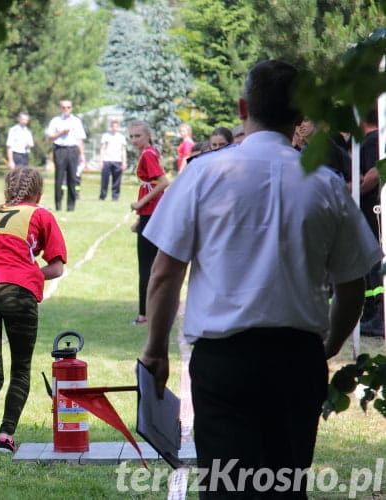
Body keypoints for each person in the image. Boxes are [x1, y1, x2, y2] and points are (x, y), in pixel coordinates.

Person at [140, 60, 381, 498]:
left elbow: (164, 273)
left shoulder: (203, 174)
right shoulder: (327, 185)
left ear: (241, 107)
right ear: (301, 117)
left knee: (226, 488)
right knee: (285, 487)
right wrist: (323, 351)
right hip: (296, 360)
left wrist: (155, 352)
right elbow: (352, 290)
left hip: (223, 363)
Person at [0, 167, 67, 454]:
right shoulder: (41, 215)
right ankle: (5, 437)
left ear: (6, 192)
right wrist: (29, 274)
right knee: (21, 367)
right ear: (39, 194)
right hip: (19, 292)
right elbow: (56, 267)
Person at [128, 122, 169, 325]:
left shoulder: (147, 154)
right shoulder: (148, 152)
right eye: (131, 137)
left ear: (147, 136)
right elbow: (151, 186)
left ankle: (144, 314)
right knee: (151, 265)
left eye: (138, 136)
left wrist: (140, 204)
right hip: (150, 215)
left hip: (152, 215)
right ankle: (151, 311)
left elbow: (163, 182)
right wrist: (140, 217)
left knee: (146, 266)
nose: (134, 140)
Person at [358, 109, 383, 337]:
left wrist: (355, 190)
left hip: (373, 213)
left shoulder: (372, 141)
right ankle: (371, 314)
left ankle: (379, 318)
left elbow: (374, 173)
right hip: (370, 213)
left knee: (376, 264)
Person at [45, 99, 87, 212]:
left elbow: (80, 140)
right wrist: (61, 133)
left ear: (71, 108)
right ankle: (58, 205)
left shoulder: (77, 121)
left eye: (68, 107)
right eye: (64, 107)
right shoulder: (55, 121)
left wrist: (82, 155)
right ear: (60, 108)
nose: (66, 109)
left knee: (73, 178)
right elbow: (49, 138)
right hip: (60, 150)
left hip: (73, 150)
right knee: (59, 178)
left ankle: (71, 207)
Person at [99, 118, 128, 201]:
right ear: (111, 126)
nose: (114, 128)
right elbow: (102, 148)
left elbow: (123, 150)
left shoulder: (121, 137)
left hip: (117, 160)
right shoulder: (106, 136)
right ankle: (102, 196)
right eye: (113, 126)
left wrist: (124, 162)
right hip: (107, 160)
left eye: (116, 126)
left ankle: (115, 197)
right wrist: (101, 161)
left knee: (117, 180)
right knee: (104, 180)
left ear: (118, 127)